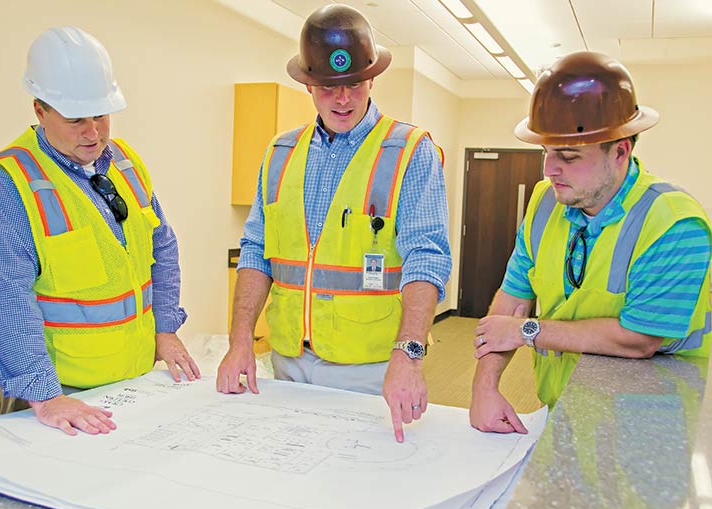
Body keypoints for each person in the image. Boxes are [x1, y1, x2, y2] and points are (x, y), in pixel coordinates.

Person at [216, 4, 451, 443]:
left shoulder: (409, 151)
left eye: (354, 84)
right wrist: (240, 340)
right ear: (308, 84)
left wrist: (410, 356)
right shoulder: (280, 152)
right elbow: (255, 250)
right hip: (287, 363)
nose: (342, 99)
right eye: (327, 87)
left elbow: (428, 259)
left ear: (372, 78)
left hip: (371, 369)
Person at [0, 26, 199, 436]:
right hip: (54, 396)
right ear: (40, 110)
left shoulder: (124, 162)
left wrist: (165, 328)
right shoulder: (4, 187)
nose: (93, 133)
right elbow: (0, 300)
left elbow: (162, 247)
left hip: (129, 384)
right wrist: (45, 396)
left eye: (101, 115)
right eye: (75, 120)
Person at [469, 51, 712, 434]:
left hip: (647, 425)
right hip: (564, 409)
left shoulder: (674, 222)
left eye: (567, 156)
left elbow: (640, 339)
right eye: (546, 153)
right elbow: (512, 300)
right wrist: (485, 386)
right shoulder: (545, 200)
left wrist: (529, 331)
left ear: (620, 151)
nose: (549, 170)